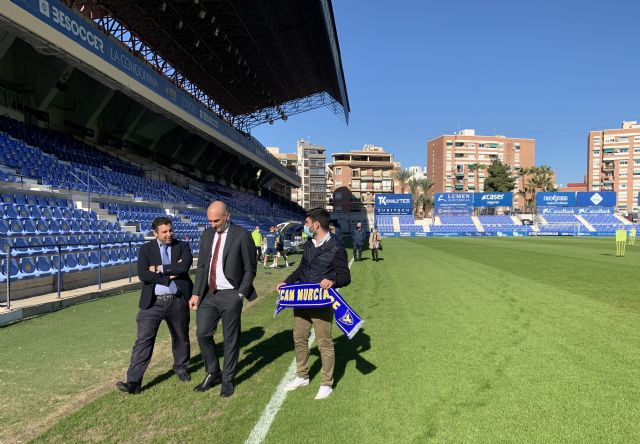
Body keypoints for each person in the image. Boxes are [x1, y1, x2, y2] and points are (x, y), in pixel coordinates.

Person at [276, 208, 351, 400]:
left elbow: (345, 277)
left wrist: (332, 281)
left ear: (316, 225)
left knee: (324, 343)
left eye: (307, 223)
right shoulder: (309, 244)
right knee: (299, 338)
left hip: (322, 303)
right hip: (302, 300)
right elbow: (301, 269)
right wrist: (287, 282)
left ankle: (326, 383)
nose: (305, 226)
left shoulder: (337, 247)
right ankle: (302, 376)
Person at [116, 216, 193, 394]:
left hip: (177, 301)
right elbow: (143, 274)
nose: (169, 234)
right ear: (155, 233)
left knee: (181, 337)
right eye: (164, 232)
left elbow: (184, 267)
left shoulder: (182, 246)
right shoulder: (146, 249)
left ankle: (181, 368)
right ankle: (133, 382)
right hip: (153, 303)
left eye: (171, 230)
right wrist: (170, 274)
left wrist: (158, 268)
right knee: (143, 341)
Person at [190, 201, 257, 398]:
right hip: (208, 295)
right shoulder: (206, 235)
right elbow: (202, 267)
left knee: (230, 339)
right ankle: (213, 372)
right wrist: (196, 293)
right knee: (202, 333)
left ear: (227, 216)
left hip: (231, 294)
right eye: (210, 221)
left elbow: (250, 269)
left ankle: (227, 379)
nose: (213, 224)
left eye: (216, 220)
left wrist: (240, 294)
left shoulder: (242, 235)